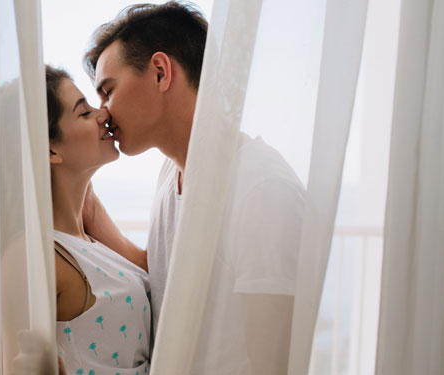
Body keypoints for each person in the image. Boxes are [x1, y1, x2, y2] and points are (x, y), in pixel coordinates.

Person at [81, 2, 306, 374]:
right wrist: (86, 208)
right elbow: (171, 276)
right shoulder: (172, 172)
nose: (102, 112)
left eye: (108, 90)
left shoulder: (263, 190)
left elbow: (273, 365)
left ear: (159, 72)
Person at [43, 65, 152, 374]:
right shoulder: (46, 258)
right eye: (84, 113)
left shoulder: (87, 239)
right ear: (51, 149)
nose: (103, 114)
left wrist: (96, 219)